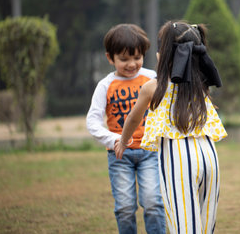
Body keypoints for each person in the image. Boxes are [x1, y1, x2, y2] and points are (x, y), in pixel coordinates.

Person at [115, 21, 227, 234]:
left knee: (184, 225)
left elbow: (133, 118)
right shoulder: (201, 83)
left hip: (177, 157)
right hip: (209, 155)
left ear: (163, 54)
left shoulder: (153, 87)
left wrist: (123, 141)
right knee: (205, 224)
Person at [86, 24, 165, 234]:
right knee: (125, 208)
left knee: (153, 203)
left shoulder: (153, 79)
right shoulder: (105, 85)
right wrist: (113, 140)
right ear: (110, 58)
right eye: (124, 59)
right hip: (119, 155)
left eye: (137, 58)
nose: (132, 64)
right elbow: (93, 121)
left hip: (150, 152)